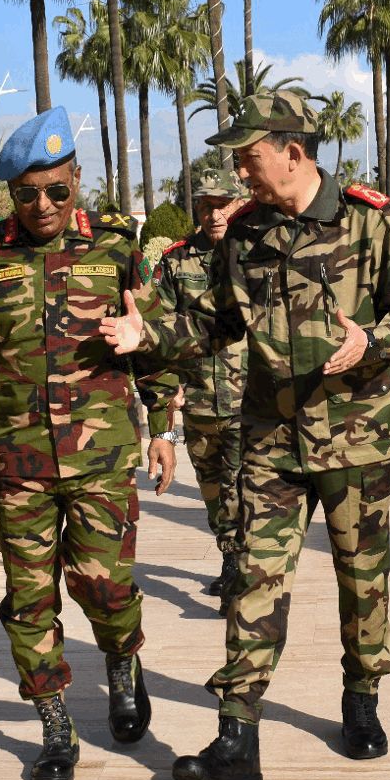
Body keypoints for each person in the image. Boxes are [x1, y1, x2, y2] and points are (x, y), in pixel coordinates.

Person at [101, 91, 390, 780]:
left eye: (249, 157)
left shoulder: (367, 222)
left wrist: (372, 340)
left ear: (292, 152)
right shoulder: (245, 234)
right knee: (254, 577)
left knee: (361, 578)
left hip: (356, 439)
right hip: (271, 440)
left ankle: (361, 697)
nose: (241, 172)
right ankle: (237, 737)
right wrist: (148, 335)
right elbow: (214, 322)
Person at [0, 106, 178, 780]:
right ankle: (54, 724)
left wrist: (163, 427)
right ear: (11, 193)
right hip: (21, 461)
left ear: (76, 178)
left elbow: (152, 343)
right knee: (28, 598)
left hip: (102, 456)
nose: (42, 205)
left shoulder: (117, 247)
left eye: (55, 190)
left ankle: (122, 660)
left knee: (104, 586)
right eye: (26, 194)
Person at [154, 168, 250, 615]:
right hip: (198, 400)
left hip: (251, 401)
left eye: (223, 204)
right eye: (207, 206)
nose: (215, 215)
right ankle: (232, 560)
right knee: (213, 492)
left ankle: (243, 575)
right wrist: (168, 392)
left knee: (241, 489)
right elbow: (160, 331)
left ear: (240, 204)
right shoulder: (176, 262)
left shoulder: (257, 253)